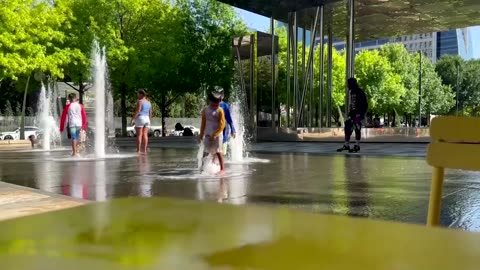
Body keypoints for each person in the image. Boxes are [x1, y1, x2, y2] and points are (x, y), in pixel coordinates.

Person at [337, 78, 368, 153]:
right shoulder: (352, 92)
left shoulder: (359, 92)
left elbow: (364, 104)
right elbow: (353, 105)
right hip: (353, 114)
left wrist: (360, 114)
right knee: (348, 127)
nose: (347, 86)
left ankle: (357, 145)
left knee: (357, 128)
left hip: (358, 114)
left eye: (348, 84)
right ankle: (346, 145)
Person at [198, 93, 226, 174]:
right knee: (205, 151)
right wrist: (201, 134)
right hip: (207, 134)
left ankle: (222, 169)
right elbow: (203, 123)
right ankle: (203, 168)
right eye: (213, 103)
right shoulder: (205, 110)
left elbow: (222, 125)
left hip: (217, 135)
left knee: (218, 152)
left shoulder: (220, 110)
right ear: (210, 101)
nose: (215, 105)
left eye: (217, 103)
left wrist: (215, 134)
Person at [211, 87, 236, 155]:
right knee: (213, 152)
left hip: (223, 134)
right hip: (213, 133)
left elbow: (229, 119)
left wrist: (233, 130)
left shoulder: (225, 106)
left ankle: (218, 164)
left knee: (221, 153)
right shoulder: (211, 105)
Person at [130, 89, 152, 153]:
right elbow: (150, 113)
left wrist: (133, 119)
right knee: (145, 135)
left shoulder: (140, 101)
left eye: (138, 94)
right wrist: (149, 120)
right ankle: (144, 150)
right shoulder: (149, 102)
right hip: (147, 119)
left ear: (141, 94)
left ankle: (138, 150)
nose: (137, 95)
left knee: (139, 135)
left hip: (141, 118)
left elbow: (138, 111)